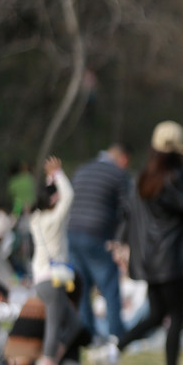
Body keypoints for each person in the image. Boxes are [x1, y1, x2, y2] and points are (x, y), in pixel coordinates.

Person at [106, 121, 183, 365]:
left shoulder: (143, 178)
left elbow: (130, 215)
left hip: (148, 259)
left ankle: (111, 352)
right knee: (176, 317)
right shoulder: (175, 177)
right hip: (171, 258)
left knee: (156, 316)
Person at [67, 143, 132, 343]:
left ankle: (88, 333)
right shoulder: (118, 175)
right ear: (122, 159)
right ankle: (116, 334)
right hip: (97, 233)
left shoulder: (82, 169)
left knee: (82, 286)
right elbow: (128, 209)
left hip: (72, 231)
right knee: (109, 285)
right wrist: (120, 240)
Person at [30, 155, 85, 365]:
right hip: (53, 280)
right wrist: (59, 174)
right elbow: (69, 196)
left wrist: (51, 178)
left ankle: (50, 363)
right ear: (53, 201)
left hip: (43, 279)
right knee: (54, 325)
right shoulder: (54, 219)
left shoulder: (36, 219)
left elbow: (53, 196)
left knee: (73, 324)